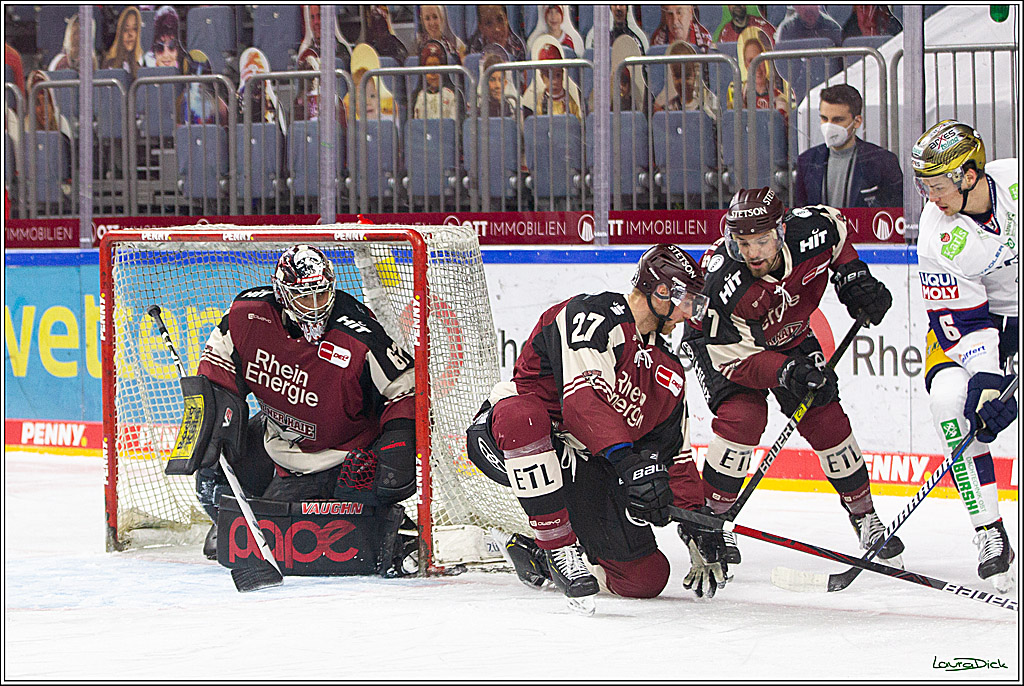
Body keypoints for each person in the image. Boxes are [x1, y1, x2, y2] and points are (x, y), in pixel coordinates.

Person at [466, 245, 729, 612]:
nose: (689, 313)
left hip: (585, 460)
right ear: (661, 292)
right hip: (513, 438)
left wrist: (697, 524)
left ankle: (533, 554)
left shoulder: (668, 370)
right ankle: (557, 547)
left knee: (645, 577)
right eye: (687, 300)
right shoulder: (593, 314)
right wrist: (627, 464)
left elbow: (675, 452)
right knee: (523, 417)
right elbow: (582, 403)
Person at [680, 187, 904, 569]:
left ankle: (864, 515)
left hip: (792, 334)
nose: (752, 253)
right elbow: (734, 361)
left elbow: (838, 228)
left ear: (782, 230)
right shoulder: (724, 282)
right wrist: (787, 371)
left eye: (762, 241)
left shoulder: (811, 230)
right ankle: (709, 524)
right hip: (723, 346)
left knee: (826, 416)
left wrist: (852, 275)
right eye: (743, 242)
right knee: (744, 418)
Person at [193, 245, 418, 575]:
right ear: (283, 294)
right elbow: (215, 372)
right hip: (274, 438)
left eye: (321, 294)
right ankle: (230, 521)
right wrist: (212, 415)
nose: (314, 306)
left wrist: (397, 443)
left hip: (341, 454)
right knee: (211, 469)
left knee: (310, 536)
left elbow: (406, 390)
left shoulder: (359, 333)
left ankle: (251, 526)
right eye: (303, 296)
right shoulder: (247, 315)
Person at [910, 120, 1018, 593]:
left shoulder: (1016, 181)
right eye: (923, 185)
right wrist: (989, 378)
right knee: (950, 402)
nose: (930, 195)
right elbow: (964, 324)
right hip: (979, 324)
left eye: (938, 184)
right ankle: (988, 529)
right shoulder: (936, 236)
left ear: (970, 174)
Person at [794, 84, 903, 208]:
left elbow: (896, 212)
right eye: (824, 118)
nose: (829, 126)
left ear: (857, 122)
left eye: (838, 120)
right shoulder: (806, 160)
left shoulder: (883, 161)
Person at [726, 26, 793, 123]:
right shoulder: (737, 98)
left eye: (759, 60)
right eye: (751, 61)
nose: (757, 67)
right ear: (745, 65)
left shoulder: (779, 98)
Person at [652, 40, 718, 121]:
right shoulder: (668, 108)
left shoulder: (708, 104)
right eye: (677, 76)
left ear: (695, 74)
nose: (682, 82)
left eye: (687, 77)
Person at [525, 40, 584, 120]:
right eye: (549, 77)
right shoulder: (540, 102)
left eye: (558, 75)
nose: (554, 81)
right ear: (542, 78)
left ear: (563, 75)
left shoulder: (569, 102)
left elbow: (576, 123)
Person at [410, 40, 463, 120]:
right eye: (429, 66)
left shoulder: (453, 94)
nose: (433, 72)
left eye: (436, 65)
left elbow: (457, 127)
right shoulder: (416, 96)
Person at [585, 5, 649, 53]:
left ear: (627, 9)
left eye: (621, 4)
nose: (618, 8)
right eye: (615, 5)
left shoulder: (635, 41)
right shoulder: (604, 41)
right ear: (610, 9)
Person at [101, 6, 143, 79]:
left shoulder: (141, 65)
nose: (130, 34)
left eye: (134, 29)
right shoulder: (109, 64)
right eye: (126, 29)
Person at [774, 5, 842, 46]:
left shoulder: (833, 28)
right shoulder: (786, 29)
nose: (808, 8)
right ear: (795, 7)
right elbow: (781, 63)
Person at [143, 6, 184, 71]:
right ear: (154, 51)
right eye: (160, 47)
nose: (166, 55)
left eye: (171, 46)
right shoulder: (143, 78)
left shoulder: (187, 76)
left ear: (178, 49)